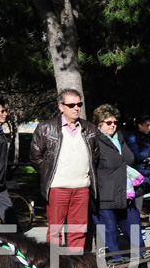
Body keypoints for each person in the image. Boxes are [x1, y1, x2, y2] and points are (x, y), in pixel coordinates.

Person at [30, 89, 99, 251]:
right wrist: (54, 173)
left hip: (81, 188)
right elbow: (35, 157)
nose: (76, 108)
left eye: (79, 104)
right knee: (55, 231)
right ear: (61, 107)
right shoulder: (46, 128)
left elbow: (94, 156)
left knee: (78, 231)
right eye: (71, 105)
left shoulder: (89, 129)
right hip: (57, 188)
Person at [91, 104, 145, 255]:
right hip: (105, 195)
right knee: (110, 237)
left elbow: (128, 160)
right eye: (108, 122)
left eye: (115, 122)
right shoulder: (94, 140)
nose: (113, 125)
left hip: (125, 192)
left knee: (135, 233)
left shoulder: (119, 137)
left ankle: (142, 264)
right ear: (99, 123)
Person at [125, 114, 150, 211]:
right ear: (140, 125)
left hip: (145, 174)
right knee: (136, 205)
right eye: (147, 125)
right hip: (137, 175)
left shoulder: (147, 138)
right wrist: (148, 154)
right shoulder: (134, 139)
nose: (149, 128)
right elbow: (134, 156)